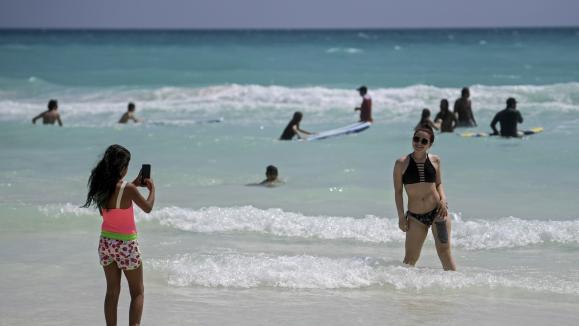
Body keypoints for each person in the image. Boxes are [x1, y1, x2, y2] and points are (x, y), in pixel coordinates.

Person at [83, 144, 155, 326]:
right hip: (126, 245)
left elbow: (107, 208)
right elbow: (148, 208)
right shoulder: (128, 189)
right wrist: (152, 188)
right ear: (122, 167)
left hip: (106, 243)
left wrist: (133, 184)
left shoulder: (101, 187)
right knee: (137, 292)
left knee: (112, 292)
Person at [393, 127, 456, 271]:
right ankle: (405, 293)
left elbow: (439, 183)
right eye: (416, 139)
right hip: (416, 217)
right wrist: (401, 217)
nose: (419, 143)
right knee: (410, 260)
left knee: (444, 252)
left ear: (430, 144)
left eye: (424, 141)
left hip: (438, 212)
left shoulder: (435, 160)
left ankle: (455, 290)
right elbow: (398, 192)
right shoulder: (401, 163)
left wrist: (443, 200)